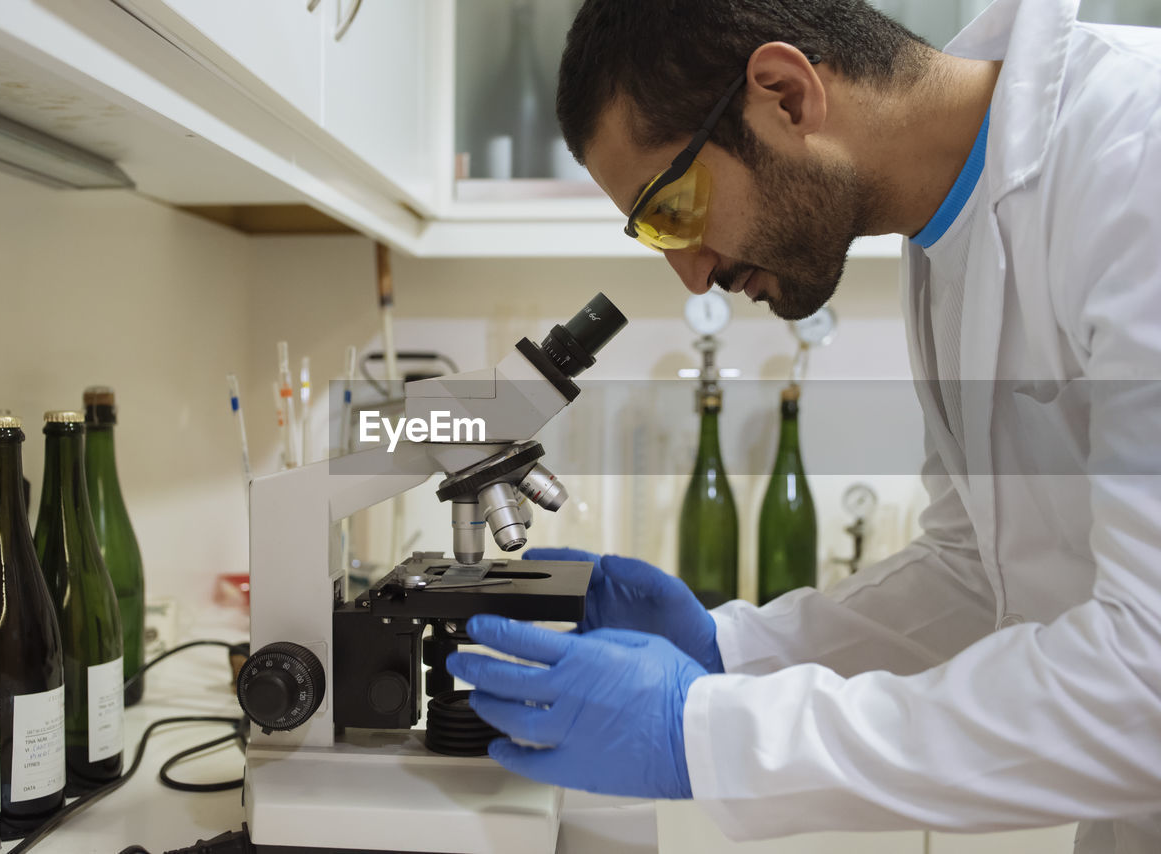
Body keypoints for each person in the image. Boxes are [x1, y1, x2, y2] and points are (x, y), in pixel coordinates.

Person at [444, 0, 1161, 851]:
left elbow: (1146, 681)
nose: (691, 274)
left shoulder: (1137, 156)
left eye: (672, 208)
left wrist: (704, 731)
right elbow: (979, 572)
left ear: (785, 95)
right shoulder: (947, 238)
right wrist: (731, 650)